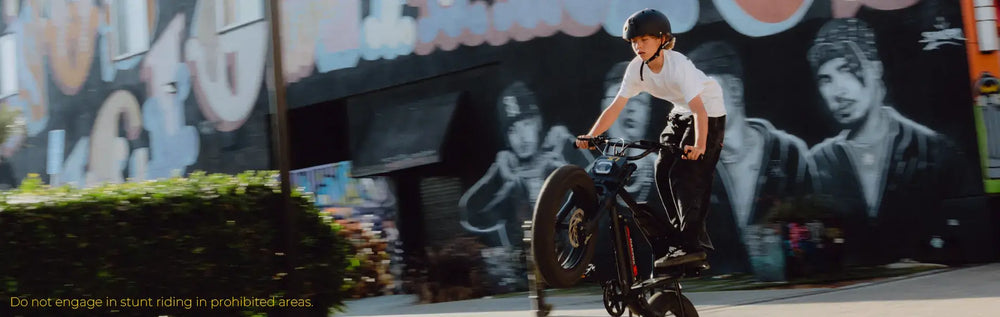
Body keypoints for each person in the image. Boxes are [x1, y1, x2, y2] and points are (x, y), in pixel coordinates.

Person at [806, 18, 975, 265]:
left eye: (846, 69)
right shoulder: (819, 163)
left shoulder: (933, 150)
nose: (838, 92)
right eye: (826, 79)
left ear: (876, 68)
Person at [577, 8, 727, 268]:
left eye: (644, 40)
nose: (638, 47)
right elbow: (615, 107)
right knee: (662, 170)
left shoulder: (678, 66)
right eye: (634, 42)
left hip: (708, 113)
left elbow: (700, 110)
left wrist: (700, 145)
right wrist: (592, 135)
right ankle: (680, 239)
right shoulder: (636, 69)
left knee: (686, 174)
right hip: (680, 113)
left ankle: (692, 246)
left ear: (662, 39)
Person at [686, 41, 818, 273]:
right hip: (726, 290)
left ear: (735, 90)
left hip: (792, 283)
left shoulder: (788, 153)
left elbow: (815, 226)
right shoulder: (690, 165)